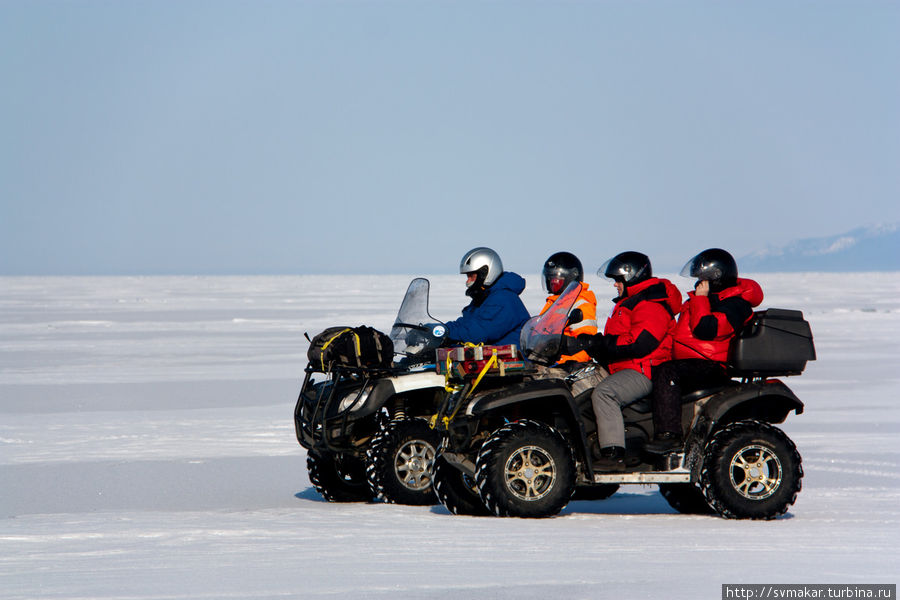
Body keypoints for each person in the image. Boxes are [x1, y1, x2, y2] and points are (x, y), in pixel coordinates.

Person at [567, 251, 682, 471]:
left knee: (605, 393)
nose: (615, 285)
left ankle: (613, 455)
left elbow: (640, 343)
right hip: (626, 366)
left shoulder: (651, 303)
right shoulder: (630, 301)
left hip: (645, 370)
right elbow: (619, 340)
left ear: (632, 277)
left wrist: (599, 344)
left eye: (618, 280)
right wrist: (589, 343)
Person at [644, 248, 764, 454]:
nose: (697, 283)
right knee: (656, 370)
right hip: (691, 362)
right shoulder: (705, 300)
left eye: (701, 279)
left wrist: (701, 299)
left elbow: (706, 328)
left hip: (711, 365)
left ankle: (669, 435)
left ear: (714, 278)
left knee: (667, 372)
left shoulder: (735, 305)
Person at [443, 247, 531, 346]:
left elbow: (477, 333)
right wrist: (438, 330)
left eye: (471, 276)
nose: (468, 282)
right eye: (467, 277)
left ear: (485, 273)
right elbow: (465, 323)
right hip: (491, 358)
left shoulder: (504, 299)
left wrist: (446, 335)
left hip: (512, 359)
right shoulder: (485, 298)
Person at [538, 252, 598, 364]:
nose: (552, 283)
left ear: (571, 277)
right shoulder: (553, 303)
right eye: (549, 279)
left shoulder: (581, 304)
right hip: (548, 361)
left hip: (568, 365)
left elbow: (585, 345)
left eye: (555, 280)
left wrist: (567, 364)